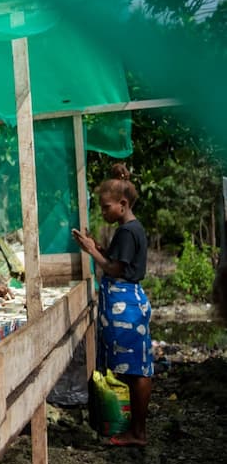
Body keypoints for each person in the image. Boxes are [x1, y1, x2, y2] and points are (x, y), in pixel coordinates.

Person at [72, 164, 152, 447]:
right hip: (125, 305)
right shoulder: (127, 229)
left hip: (126, 305)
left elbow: (116, 269)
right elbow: (117, 261)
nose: (103, 213)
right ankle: (133, 427)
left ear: (123, 204)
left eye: (106, 208)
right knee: (131, 367)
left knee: (136, 370)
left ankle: (137, 433)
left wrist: (92, 251)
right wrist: (99, 248)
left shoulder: (128, 231)